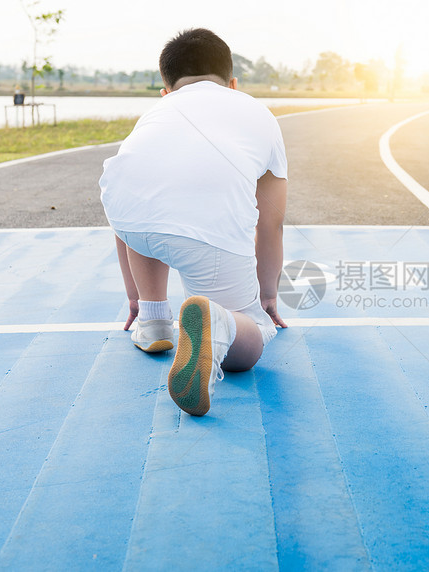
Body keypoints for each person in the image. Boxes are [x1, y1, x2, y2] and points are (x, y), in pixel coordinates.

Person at [99, 28, 288, 417]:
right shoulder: (258, 113)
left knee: (143, 205)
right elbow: (270, 223)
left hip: (130, 220)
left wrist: (133, 298)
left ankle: (152, 321)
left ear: (166, 91)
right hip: (208, 233)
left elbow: (124, 203)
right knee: (250, 340)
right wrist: (267, 295)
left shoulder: (155, 114)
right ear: (232, 84)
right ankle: (219, 324)